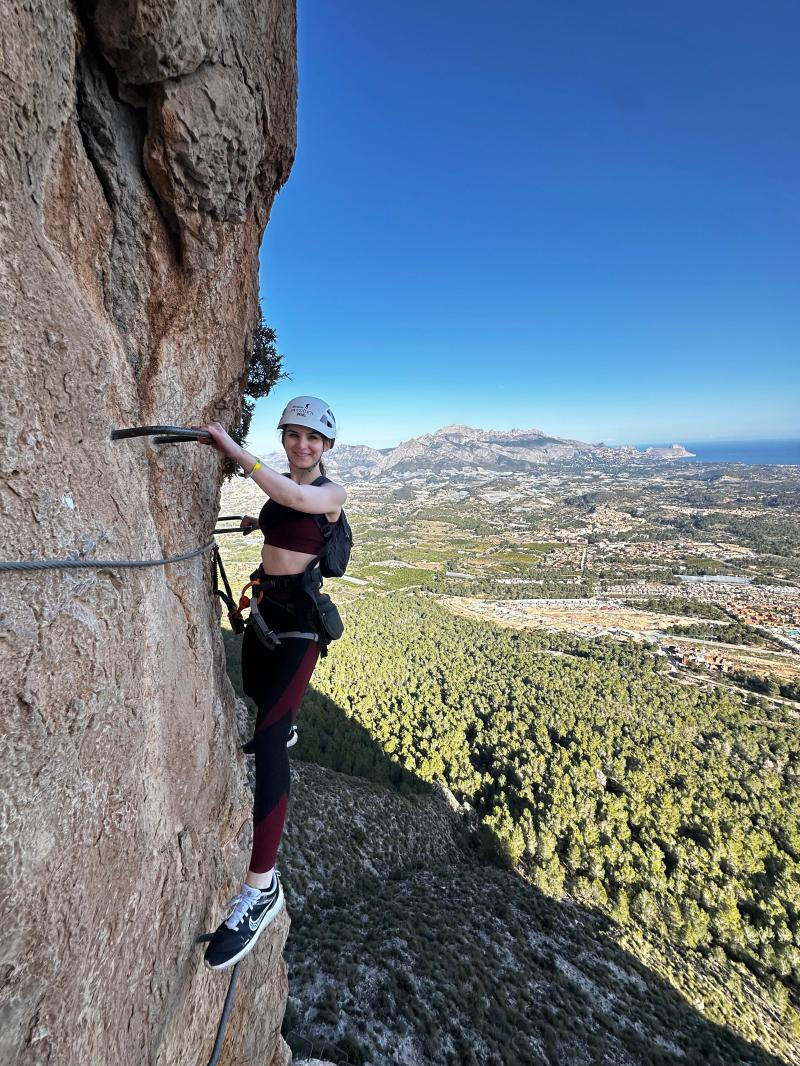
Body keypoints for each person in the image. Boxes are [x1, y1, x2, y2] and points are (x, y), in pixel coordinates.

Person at [199, 396, 346, 970]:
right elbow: (283, 511)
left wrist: (233, 452)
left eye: (313, 438)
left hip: (299, 630)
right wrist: (259, 523)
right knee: (259, 697)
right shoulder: (289, 488)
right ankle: (278, 728)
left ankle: (261, 889)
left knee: (266, 738)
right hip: (266, 614)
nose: (302, 445)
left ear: (327, 446)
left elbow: (295, 499)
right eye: (293, 435)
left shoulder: (330, 494)